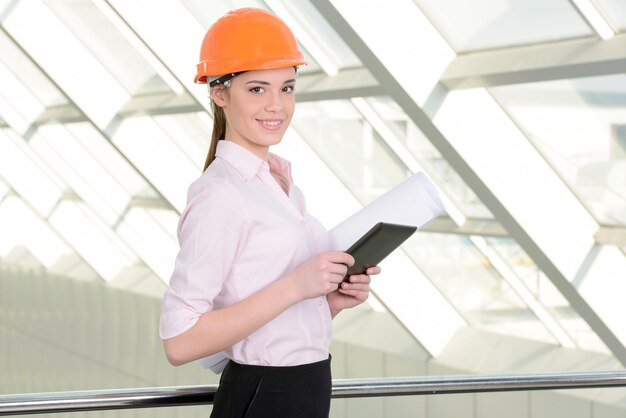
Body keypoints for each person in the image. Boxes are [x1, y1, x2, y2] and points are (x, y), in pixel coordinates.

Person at [159, 8, 381, 418]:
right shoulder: (220, 196)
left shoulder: (281, 187)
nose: (276, 106)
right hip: (264, 395)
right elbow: (180, 340)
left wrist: (328, 299)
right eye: (257, 89)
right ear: (219, 93)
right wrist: (297, 286)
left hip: (305, 386)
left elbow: (269, 321)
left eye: (288, 88)